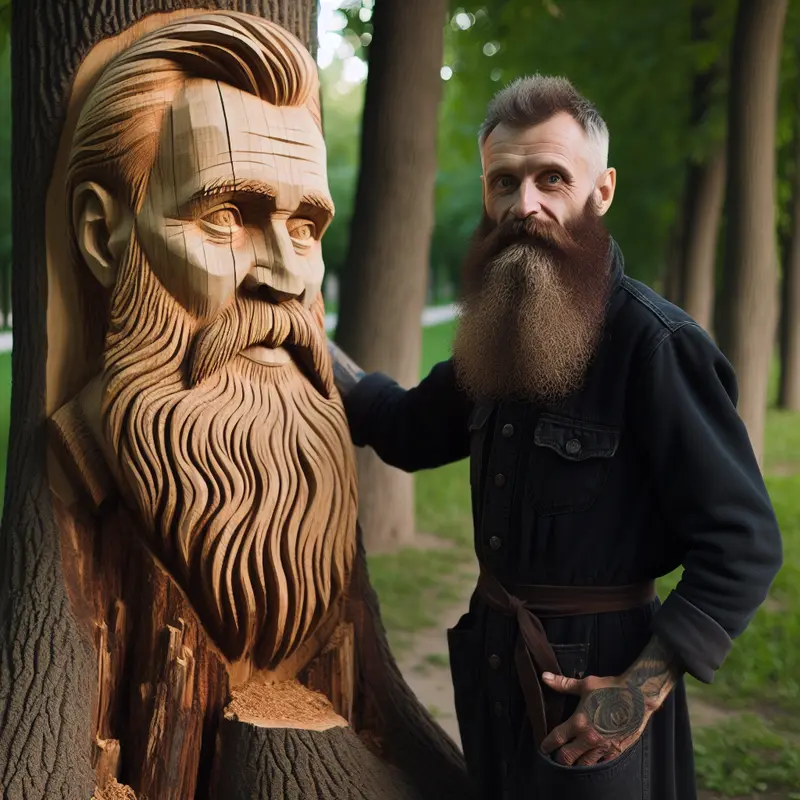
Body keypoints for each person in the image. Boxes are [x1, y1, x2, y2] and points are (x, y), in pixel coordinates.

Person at [328, 75, 783, 800]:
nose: (524, 205)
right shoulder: (500, 331)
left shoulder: (655, 343)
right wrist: (300, 330)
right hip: (494, 669)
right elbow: (407, 427)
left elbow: (745, 544)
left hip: (597, 692)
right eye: (504, 182)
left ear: (600, 192)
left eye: (550, 179)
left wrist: (633, 695)